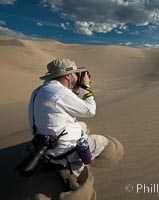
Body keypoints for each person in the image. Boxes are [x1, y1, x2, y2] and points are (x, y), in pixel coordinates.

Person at [28, 58, 108, 190]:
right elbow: (90, 110)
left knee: (82, 125)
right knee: (103, 141)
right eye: (76, 74)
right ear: (68, 75)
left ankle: (54, 161)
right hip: (64, 151)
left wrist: (75, 88)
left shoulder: (39, 90)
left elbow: (59, 103)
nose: (78, 76)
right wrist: (85, 87)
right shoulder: (61, 93)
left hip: (43, 146)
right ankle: (68, 166)